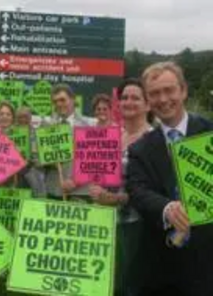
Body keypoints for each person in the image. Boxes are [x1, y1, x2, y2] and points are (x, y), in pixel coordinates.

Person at [126, 62, 213, 296]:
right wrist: (167, 208)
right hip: (160, 268)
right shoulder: (140, 149)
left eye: (169, 90)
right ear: (148, 100)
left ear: (183, 90)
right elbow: (137, 190)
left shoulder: (210, 133)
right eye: (154, 93)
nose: (163, 99)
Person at [88, 78, 153, 296]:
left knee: (129, 285)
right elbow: (100, 173)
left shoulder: (154, 140)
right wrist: (96, 187)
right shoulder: (113, 136)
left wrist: (116, 198)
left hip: (136, 226)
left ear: (147, 104)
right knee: (106, 283)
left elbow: (153, 191)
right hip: (106, 222)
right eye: (124, 97)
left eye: (135, 97)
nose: (129, 102)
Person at [44, 84, 94, 200]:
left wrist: (75, 181)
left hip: (81, 192)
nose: (58, 104)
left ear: (73, 99)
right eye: (55, 101)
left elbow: (93, 162)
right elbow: (36, 158)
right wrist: (48, 161)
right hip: (54, 191)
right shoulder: (46, 126)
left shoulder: (88, 126)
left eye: (62, 100)